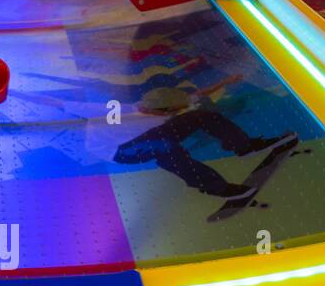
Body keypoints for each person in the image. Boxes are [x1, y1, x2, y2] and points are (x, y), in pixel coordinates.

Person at [114, 81, 297, 199]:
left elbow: (199, 94)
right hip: (123, 151)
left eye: (177, 109)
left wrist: (229, 79)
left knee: (201, 115)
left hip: (155, 133)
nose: (176, 113)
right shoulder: (128, 116)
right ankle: (215, 187)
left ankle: (244, 146)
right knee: (167, 150)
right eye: (173, 111)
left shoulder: (164, 103)